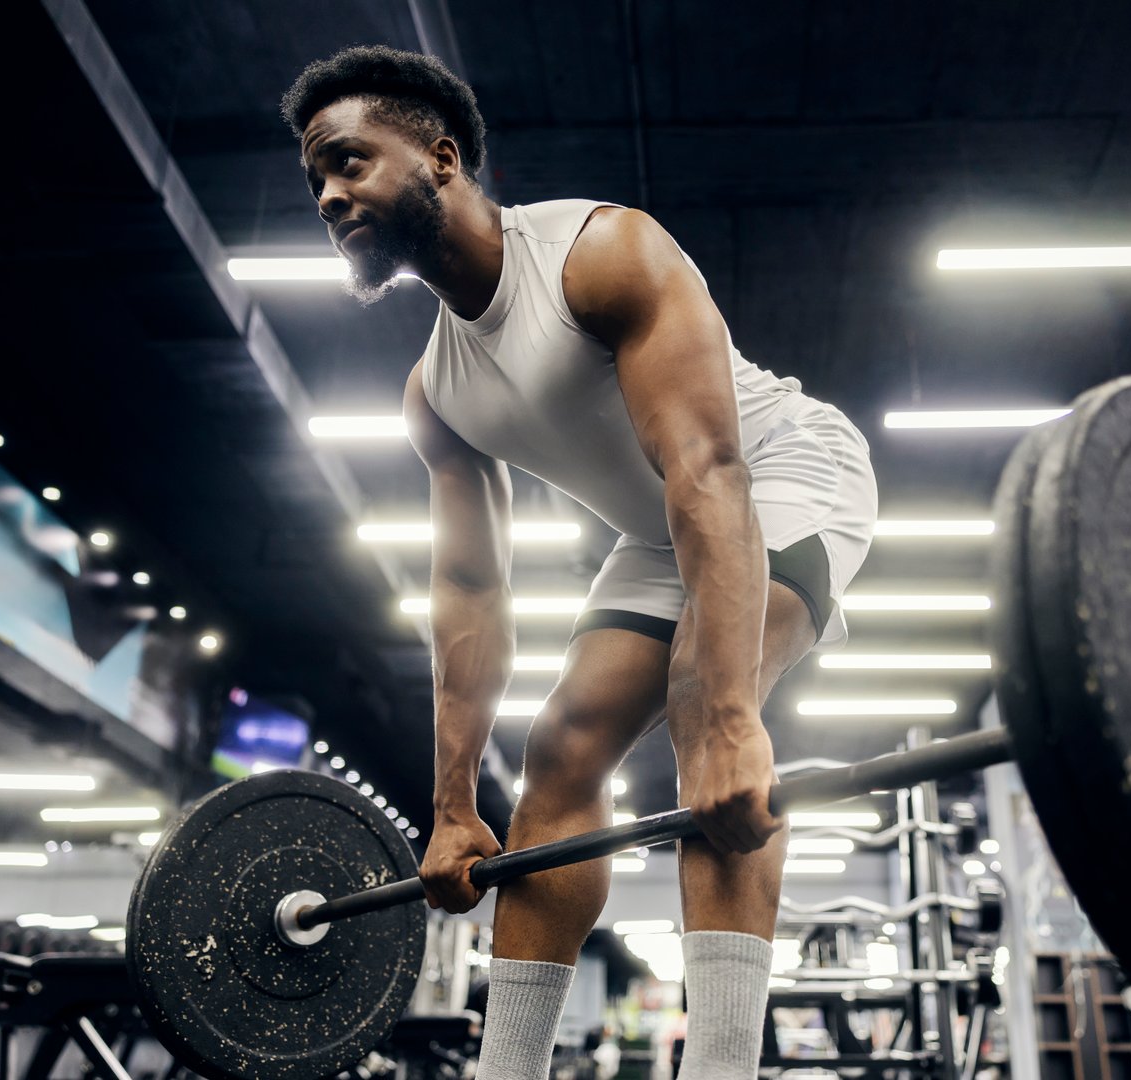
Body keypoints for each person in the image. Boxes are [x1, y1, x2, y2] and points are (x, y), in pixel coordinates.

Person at [282, 46, 878, 1080]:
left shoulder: (600, 254)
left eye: (347, 162)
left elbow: (706, 468)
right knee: (559, 750)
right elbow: (470, 592)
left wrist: (733, 721)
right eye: (315, 181)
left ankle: (724, 1068)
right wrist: (454, 808)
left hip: (778, 472)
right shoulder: (437, 393)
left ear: (439, 156)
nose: (330, 195)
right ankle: (507, 1069)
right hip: (657, 532)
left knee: (704, 695)